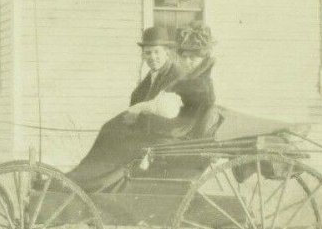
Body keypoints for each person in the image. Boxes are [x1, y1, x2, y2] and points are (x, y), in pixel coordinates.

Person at [66, 22, 217, 191]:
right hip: (162, 133)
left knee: (115, 138)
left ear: (167, 52)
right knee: (111, 130)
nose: (188, 62)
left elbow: (182, 124)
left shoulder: (196, 84)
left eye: (193, 58)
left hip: (170, 141)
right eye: (148, 53)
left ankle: (90, 183)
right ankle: (82, 178)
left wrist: (143, 119)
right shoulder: (188, 80)